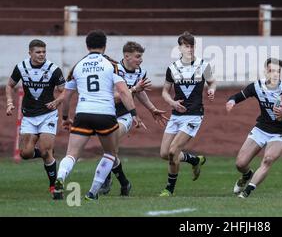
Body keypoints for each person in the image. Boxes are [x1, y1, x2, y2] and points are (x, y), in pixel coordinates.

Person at [53, 30, 143, 201]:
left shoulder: (77, 66)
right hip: (105, 114)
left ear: (87, 46)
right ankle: (92, 192)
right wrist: (134, 114)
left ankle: (60, 179)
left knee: (71, 154)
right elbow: (124, 92)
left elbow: (66, 96)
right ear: (104, 46)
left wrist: (65, 118)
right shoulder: (113, 65)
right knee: (110, 153)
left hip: (83, 113)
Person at [226, 58, 282, 198]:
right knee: (240, 163)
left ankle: (247, 192)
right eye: (271, 71)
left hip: (281, 131)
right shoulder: (257, 86)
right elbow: (239, 95)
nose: (275, 74)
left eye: (277, 71)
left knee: (268, 159)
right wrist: (232, 101)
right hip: (262, 128)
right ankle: (246, 175)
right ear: (265, 71)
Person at [99, 41, 169, 196]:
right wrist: (133, 89)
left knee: (111, 140)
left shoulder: (140, 73)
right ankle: (124, 183)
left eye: (141, 56)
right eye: (138, 56)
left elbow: (140, 93)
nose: (140, 60)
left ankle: (105, 179)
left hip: (125, 116)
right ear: (127, 56)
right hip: (106, 114)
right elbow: (113, 98)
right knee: (111, 151)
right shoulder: (114, 70)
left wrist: (152, 109)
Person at [159, 31, 216, 196]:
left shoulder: (203, 65)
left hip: (194, 115)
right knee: (164, 153)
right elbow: (164, 92)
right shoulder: (172, 68)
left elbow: (212, 82)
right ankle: (194, 160)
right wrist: (172, 103)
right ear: (180, 48)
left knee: (172, 151)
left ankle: (169, 189)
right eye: (186, 46)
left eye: (192, 46)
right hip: (176, 115)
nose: (189, 49)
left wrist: (211, 90)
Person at [6, 39, 65, 194]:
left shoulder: (53, 69)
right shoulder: (21, 67)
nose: (41, 55)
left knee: (45, 150)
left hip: (48, 115)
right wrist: (10, 102)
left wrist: (57, 101)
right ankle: (48, 155)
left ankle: (54, 186)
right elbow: (10, 84)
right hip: (29, 116)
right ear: (30, 53)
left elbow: (64, 90)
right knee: (25, 153)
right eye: (38, 52)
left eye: (44, 52)